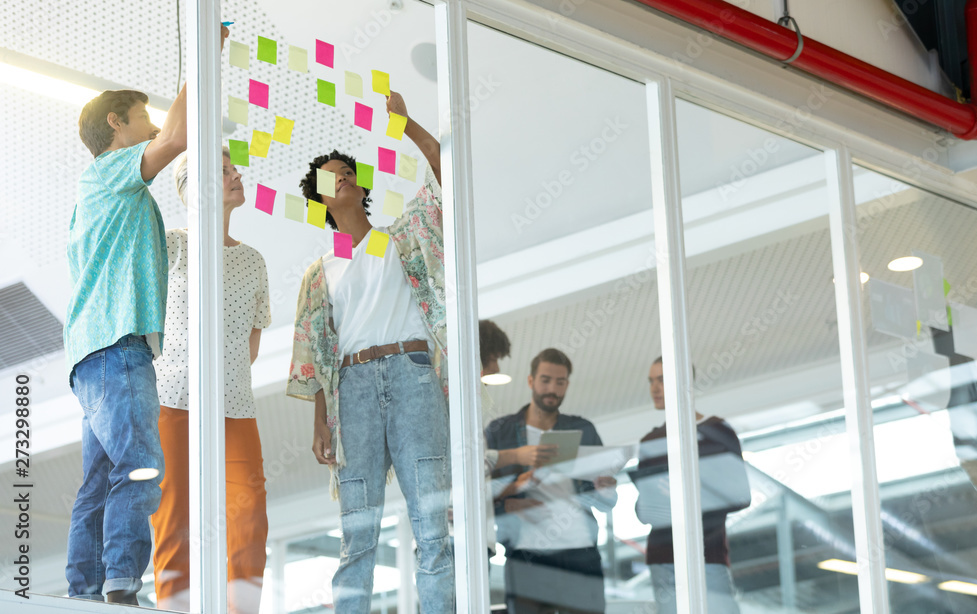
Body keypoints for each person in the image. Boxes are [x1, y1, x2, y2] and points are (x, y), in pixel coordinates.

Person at [62, 24, 228, 604]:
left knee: (101, 478)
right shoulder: (111, 171)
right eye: (143, 118)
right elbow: (178, 136)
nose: (153, 128)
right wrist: (208, 51)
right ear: (116, 123)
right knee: (141, 466)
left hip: (90, 356)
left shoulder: (99, 192)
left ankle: (87, 588)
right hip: (117, 345)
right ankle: (122, 585)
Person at [286, 91, 455, 613]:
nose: (339, 177)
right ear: (318, 201)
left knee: (433, 522)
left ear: (360, 186)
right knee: (357, 532)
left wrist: (404, 123)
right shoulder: (320, 273)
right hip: (353, 389)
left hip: (412, 373)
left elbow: (443, 168)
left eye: (346, 172)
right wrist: (321, 419)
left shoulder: (400, 238)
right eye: (328, 177)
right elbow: (317, 355)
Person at [149, 149, 271, 613]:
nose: (236, 175)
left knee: (249, 519)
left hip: (234, 404)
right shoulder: (168, 245)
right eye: (222, 171)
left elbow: (252, 343)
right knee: (173, 518)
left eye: (234, 169)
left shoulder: (253, 261)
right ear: (192, 187)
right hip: (172, 398)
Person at [485, 348, 618, 614]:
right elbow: (484, 497)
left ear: (567, 384)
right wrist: (509, 506)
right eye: (545, 380)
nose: (552, 389)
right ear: (531, 381)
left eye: (560, 382)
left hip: (580, 550)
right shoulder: (501, 432)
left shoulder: (583, 429)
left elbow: (607, 503)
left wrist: (606, 490)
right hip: (527, 554)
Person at [637, 357, 747, 614]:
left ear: (684, 382)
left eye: (662, 380)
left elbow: (741, 496)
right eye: (651, 381)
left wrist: (691, 491)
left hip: (707, 554)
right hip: (663, 558)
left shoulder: (716, 431)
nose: (654, 388)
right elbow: (644, 513)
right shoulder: (651, 441)